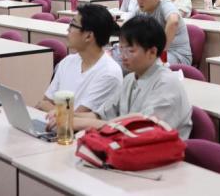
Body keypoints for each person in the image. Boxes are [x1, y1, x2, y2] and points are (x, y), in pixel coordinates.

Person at [62, 15, 192, 138]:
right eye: (121, 48)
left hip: (153, 149)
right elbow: (101, 115)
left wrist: (81, 123)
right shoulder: (130, 79)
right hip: (126, 145)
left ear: (152, 52)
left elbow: (141, 130)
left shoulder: (166, 84)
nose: (122, 56)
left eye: (130, 50)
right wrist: (66, 115)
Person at [36, 5, 122, 112]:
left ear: (88, 36)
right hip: (53, 122)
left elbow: (75, 117)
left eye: (72, 25)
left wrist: (49, 108)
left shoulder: (109, 73)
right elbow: (45, 102)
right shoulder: (67, 61)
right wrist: (49, 107)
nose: (68, 29)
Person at [134, 0, 191, 65]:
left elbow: (173, 21)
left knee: (144, 61)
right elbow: (127, 26)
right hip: (153, 51)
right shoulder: (141, 9)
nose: (139, 0)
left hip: (177, 55)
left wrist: (161, 51)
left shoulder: (165, 4)